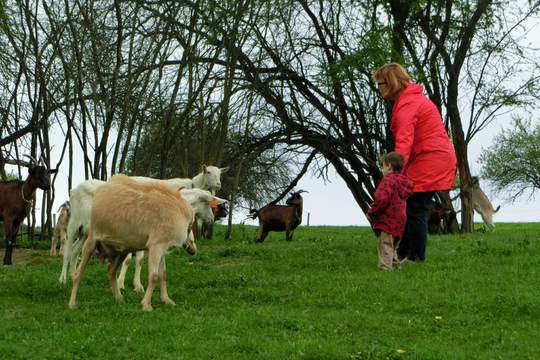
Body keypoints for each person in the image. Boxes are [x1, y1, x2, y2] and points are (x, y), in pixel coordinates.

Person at [372, 63, 457, 262]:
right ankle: (404, 253)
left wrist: (394, 173)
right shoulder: (410, 100)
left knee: (415, 207)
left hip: (430, 160)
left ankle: (415, 257)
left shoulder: (408, 106)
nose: (379, 89)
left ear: (391, 83)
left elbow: (404, 141)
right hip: (430, 158)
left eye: (380, 84)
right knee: (410, 205)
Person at [367, 152, 414, 270]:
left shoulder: (388, 181)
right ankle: (394, 264)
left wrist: (372, 212)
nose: (382, 169)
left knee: (385, 244)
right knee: (393, 245)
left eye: (383, 166)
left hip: (388, 219)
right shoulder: (403, 182)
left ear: (388, 166)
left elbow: (382, 200)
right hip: (400, 220)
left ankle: (385, 267)